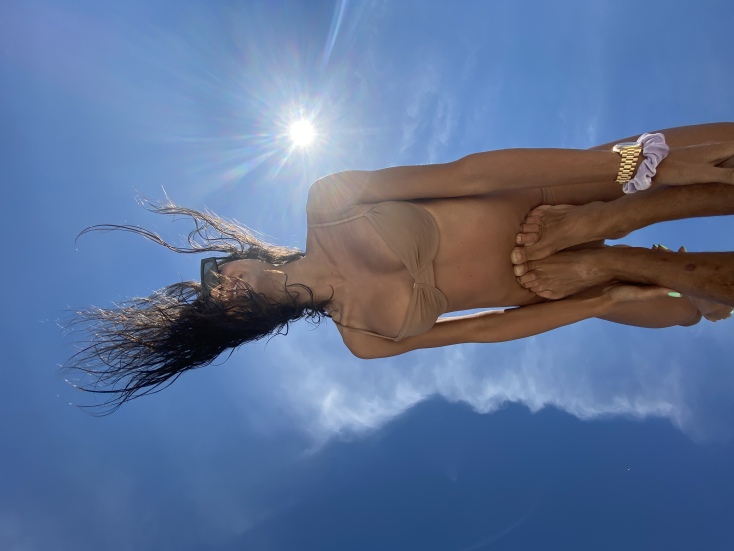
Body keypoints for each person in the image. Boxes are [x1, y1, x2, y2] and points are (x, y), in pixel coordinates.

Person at [69, 123, 734, 412]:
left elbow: (470, 176)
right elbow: (483, 330)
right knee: (693, 304)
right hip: (558, 284)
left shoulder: (329, 202)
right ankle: (645, 270)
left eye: (215, 272)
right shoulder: (364, 339)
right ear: (240, 324)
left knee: (715, 161)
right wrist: (597, 304)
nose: (222, 284)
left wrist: (627, 164)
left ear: (240, 253)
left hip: (559, 196)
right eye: (218, 302)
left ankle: (635, 210)